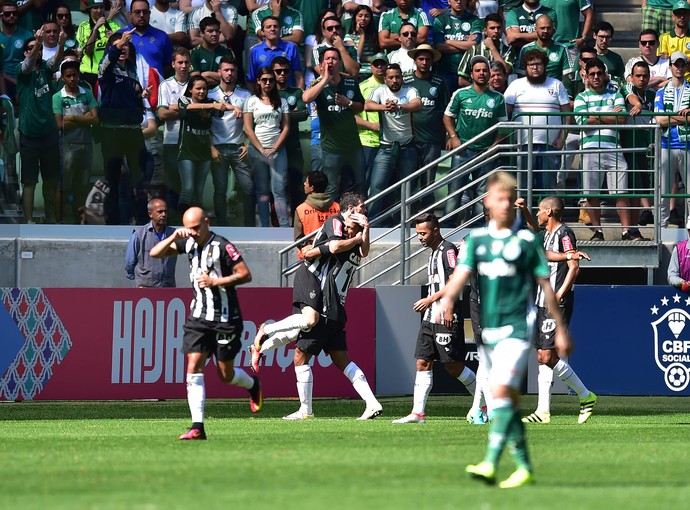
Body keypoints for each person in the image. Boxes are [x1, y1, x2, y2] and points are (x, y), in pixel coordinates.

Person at [440, 171, 573, 489]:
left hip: (517, 327)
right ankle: (524, 466)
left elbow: (546, 284)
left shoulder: (527, 240)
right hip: (491, 330)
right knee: (505, 403)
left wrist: (561, 331)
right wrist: (447, 300)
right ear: (487, 202)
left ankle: (489, 463)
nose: (504, 204)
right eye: (498, 198)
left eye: (509, 199)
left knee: (499, 394)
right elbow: (461, 274)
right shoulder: (476, 240)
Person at [251, 192, 383, 421]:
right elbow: (328, 248)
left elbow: (362, 251)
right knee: (308, 331)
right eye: (361, 208)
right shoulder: (336, 223)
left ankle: (312, 408)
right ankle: (265, 337)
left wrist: (364, 231)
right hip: (314, 283)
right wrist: (352, 238)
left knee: (307, 349)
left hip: (331, 303)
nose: (364, 211)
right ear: (350, 210)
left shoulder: (353, 241)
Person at [150, 206, 262, 440]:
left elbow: (245, 274)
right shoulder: (188, 242)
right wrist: (173, 236)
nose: (192, 233)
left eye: (196, 228)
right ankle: (197, 427)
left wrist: (216, 281)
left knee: (225, 375)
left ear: (207, 223)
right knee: (193, 366)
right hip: (199, 317)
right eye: (188, 229)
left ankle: (252, 384)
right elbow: (155, 253)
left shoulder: (222, 246)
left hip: (225, 318)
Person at [392, 213, 477, 424]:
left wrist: (443, 306)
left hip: (445, 315)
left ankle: (484, 402)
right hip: (430, 318)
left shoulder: (448, 250)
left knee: (453, 367)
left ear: (436, 230)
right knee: (422, 362)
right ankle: (418, 413)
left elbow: (454, 280)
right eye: (418, 233)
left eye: (423, 233)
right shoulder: (433, 252)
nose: (420, 237)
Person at [519, 196, 597, 425]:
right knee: (543, 356)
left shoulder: (565, 234)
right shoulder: (547, 234)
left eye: (540, 211)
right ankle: (543, 411)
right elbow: (535, 231)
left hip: (556, 301)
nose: (538, 215)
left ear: (550, 212)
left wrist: (560, 294)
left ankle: (585, 396)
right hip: (543, 300)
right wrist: (524, 210)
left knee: (546, 355)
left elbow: (574, 267)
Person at [574, 58, 645, 241]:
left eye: (599, 73)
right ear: (587, 77)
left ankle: (626, 231)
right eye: (592, 74)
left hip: (614, 148)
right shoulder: (581, 97)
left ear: (605, 75)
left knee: (621, 193)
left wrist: (595, 116)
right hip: (589, 149)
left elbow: (621, 119)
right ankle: (598, 232)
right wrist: (607, 116)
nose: (596, 77)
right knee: (592, 194)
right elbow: (582, 123)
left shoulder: (614, 94)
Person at [443, 55, 507, 227]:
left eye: (485, 70)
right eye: (477, 70)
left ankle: (477, 227)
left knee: (482, 194)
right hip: (463, 150)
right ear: (471, 74)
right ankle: (448, 225)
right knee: (454, 191)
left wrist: (494, 147)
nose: (481, 73)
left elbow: (503, 127)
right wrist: (453, 137)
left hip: (486, 153)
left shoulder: (498, 98)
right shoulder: (461, 94)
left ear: (489, 74)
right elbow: (447, 116)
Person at [98, 29, 149, 225]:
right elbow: (106, 66)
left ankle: (142, 220)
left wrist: (139, 96)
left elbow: (127, 98)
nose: (123, 48)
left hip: (132, 130)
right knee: (113, 179)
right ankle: (112, 222)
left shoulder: (132, 68)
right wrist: (119, 42)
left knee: (139, 178)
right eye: (119, 45)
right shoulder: (106, 68)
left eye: (126, 45)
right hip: (112, 130)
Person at [504, 49, 570, 193]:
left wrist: (562, 137)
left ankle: (548, 216)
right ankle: (521, 216)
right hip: (522, 145)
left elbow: (567, 114)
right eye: (531, 64)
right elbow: (504, 114)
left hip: (550, 146)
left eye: (539, 64)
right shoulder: (516, 85)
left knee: (547, 188)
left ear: (545, 66)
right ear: (526, 67)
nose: (535, 67)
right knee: (522, 188)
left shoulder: (556, 84)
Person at [303, 47, 365, 198]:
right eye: (327, 59)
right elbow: (306, 98)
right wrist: (324, 80)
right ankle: (333, 221)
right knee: (331, 188)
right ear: (322, 63)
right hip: (331, 148)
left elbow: (361, 106)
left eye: (334, 58)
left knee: (360, 185)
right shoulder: (317, 84)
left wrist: (348, 103)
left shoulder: (350, 82)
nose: (330, 61)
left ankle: (361, 220)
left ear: (340, 62)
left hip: (353, 146)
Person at [365, 62, 422, 223]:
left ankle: (404, 222)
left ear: (402, 77)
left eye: (397, 77)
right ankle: (373, 224)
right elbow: (367, 105)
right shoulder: (380, 90)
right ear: (385, 79)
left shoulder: (410, 90)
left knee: (407, 188)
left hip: (407, 147)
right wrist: (384, 107)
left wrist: (400, 107)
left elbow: (417, 104)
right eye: (391, 77)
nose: (394, 80)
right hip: (386, 147)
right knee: (377, 186)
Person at [17, 31, 64, 225]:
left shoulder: (46, 68)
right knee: (29, 181)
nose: (34, 50)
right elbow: (28, 65)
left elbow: (56, 61)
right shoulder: (22, 69)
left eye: (36, 48)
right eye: (30, 48)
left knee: (51, 179)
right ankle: (28, 220)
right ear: (26, 52)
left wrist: (60, 43)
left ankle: (51, 217)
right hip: (29, 133)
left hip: (49, 133)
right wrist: (37, 42)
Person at [208, 56, 256, 226]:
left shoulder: (245, 95)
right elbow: (204, 125)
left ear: (237, 72)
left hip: (239, 148)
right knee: (220, 190)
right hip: (218, 148)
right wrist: (211, 147)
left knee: (249, 188)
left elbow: (254, 123)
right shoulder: (210, 94)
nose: (229, 73)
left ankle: (250, 227)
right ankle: (222, 226)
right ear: (219, 72)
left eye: (233, 70)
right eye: (226, 70)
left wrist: (249, 145)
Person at [52, 59, 98, 224]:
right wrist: (83, 118)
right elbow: (59, 124)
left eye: (75, 75)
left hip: (86, 143)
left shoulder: (87, 92)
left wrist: (72, 118)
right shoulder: (58, 97)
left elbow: (96, 119)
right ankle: (59, 220)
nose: (72, 78)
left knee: (83, 185)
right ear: (63, 78)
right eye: (68, 76)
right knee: (64, 185)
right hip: (67, 145)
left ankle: (81, 221)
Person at [243, 66, 290, 227]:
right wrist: (262, 150)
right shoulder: (251, 101)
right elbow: (248, 129)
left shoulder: (282, 101)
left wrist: (275, 148)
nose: (268, 83)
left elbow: (286, 128)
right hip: (258, 150)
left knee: (279, 190)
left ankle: (283, 225)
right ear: (258, 81)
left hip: (277, 150)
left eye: (270, 80)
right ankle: (264, 226)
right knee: (262, 191)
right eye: (264, 80)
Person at [404, 45, 449, 212]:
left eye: (427, 59)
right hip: (409, 139)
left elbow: (446, 110)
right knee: (409, 180)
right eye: (421, 59)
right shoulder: (406, 81)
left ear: (432, 61)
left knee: (428, 181)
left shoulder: (439, 82)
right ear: (415, 60)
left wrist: (447, 136)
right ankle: (407, 217)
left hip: (432, 139)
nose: (424, 62)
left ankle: (427, 217)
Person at [176, 75, 225, 212]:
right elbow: (189, 107)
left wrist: (234, 108)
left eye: (204, 89)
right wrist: (211, 105)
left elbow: (222, 109)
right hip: (186, 151)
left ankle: (196, 226)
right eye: (198, 88)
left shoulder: (210, 101)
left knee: (198, 192)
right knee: (188, 189)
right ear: (191, 89)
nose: (202, 92)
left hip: (204, 153)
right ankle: (181, 222)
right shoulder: (184, 99)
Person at [654, 50, 690, 227]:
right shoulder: (661, 92)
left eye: (682, 64)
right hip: (666, 145)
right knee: (663, 191)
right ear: (670, 67)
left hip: (687, 145)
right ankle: (661, 229)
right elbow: (659, 120)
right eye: (676, 64)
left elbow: (665, 119)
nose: (679, 67)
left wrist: (670, 118)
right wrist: (683, 117)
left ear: (686, 66)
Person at [158, 47, 191, 222]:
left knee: (189, 186)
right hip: (171, 140)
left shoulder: (196, 84)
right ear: (173, 64)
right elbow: (162, 115)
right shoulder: (166, 85)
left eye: (186, 62)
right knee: (172, 184)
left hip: (192, 141)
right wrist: (186, 111)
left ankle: (188, 221)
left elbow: (201, 114)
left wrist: (174, 109)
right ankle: (171, 221)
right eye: (180, 62)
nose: (183, 66)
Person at [272, 56, 308, 215]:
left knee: (296, 186)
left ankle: (297, 222)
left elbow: (303, 114)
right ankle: (275, 223)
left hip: (293, 145)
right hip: (272, 146)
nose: (282, 74)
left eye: (285, 71)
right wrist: (290, 113)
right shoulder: (266, 93)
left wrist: (278, 115)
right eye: (278, 71)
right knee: (274, 187)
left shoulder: (296, 92)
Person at [623, 61, 657, 227]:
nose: (641, 79)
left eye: (645, 76)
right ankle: (631, 228)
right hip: (630, 146)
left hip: (647, 146)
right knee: (633, 190)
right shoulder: (627, 88)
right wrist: (637, 104)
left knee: (644, 186)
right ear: (632, 77)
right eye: (638, 76)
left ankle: (640, 221)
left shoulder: (652, 94)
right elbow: (630, 96)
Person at [125, 197, 177, 287]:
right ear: (150, 214)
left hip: (168, 288)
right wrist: (135, 277)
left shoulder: (174, 235)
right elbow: (130, 262)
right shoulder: (139, 235)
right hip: (145, 288)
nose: (164, 214)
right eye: (160, 212)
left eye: (165, 211)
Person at [432, 0, 481, 94]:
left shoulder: (474, 19)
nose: (459, 2)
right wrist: (466, 44)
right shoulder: (440, 19)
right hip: (446, 70)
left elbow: (474, 45)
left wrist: (449, 42)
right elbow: (439, 47)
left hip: (467, 71)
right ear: (449, 1)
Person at [458, 13, 515, 88]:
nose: (496, 31)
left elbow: (506, 71)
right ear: (485, 30)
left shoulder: (508, 50)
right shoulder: (473, 50)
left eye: (499, 28)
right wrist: (480, 90)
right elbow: (461, 80)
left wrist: (492, 48)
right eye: (492, 28)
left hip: (501, 94)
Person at [247, 16, 303, 92]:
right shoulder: (255, 50)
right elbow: (251, 79)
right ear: (262, 32)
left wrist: (300, 96)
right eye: (268, 27)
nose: (272, 29)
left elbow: (298, 76)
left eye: (275, 26)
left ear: (280, 30)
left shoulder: (291, 47)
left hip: (287, 95)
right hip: (265, 96)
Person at [119, 0, 174, 77]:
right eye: (137, 12)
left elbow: (169, 65)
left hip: (155, 86)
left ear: (149, 14)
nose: (141, 15)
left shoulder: (162, 36)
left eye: (145, 12)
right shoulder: (119, 36)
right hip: (128, 87)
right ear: (130, 15)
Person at [514, 14, 573, 86]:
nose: (545, 31)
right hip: (531, 88)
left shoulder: (562, 49)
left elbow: (567, 75)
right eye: (542, 28)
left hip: (554, 88)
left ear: (553, 30)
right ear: (535, 29)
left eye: (549, 28)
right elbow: (521, 75)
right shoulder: (526, 49)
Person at [293, 170, 340, 259]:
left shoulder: (301, 209)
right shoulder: (338, 208)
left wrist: (310, 249)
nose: (304, 184)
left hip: (309, 257)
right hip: (333, 255)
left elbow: (298, 239)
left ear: (312, 188)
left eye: (306, 182)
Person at [356, 53, 385, 193]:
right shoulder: (363, 87)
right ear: (371, 67)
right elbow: (352, 117)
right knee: (363, 183)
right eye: (376, 64)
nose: (379, 67)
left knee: (382, 186)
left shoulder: (394, 85)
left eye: (383, 64)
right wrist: (372, 126)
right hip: (368, 141)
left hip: (389, 143)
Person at [76, 0, 121, 88]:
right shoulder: (83, 26)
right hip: (90, 74)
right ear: (90, 9)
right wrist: (95, 29)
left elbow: (121, 48)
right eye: (95, 8)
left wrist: (112, 38)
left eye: (101, 7)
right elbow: (88, 50)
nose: (99, 11)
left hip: (110, 72)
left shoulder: (114, 25)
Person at [190, 16, 234, 89]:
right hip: (202, 92)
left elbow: (232, 78)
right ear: (201, 34)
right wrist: (222, 79)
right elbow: (196, 80)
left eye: (217, 31)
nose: (214, 34)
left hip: (223, 92)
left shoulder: (227, 52)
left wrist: (206, 74)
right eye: (210, 31)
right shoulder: (194, 53)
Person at [343, 4, 380, 78]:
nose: (363, 18)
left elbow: (379, 56)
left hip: (374, 72)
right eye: (360, 16)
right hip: (359, 72)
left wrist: (369, 59)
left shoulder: (375, 36)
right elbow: (357, 56)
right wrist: (362, 36)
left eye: (367, 16)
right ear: (355, 18)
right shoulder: (349, 37)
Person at [592, 21, 626, 87]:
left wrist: (609, 77)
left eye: (607, 37)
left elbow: (622, 82)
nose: (604, 40)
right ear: (594, 36)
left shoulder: (616, 58)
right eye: (601, 36)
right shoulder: (584, 56)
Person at [667, 217, 690, 289]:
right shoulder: (679, 249)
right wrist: (681, 282)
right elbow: (671, 275)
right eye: (689, 230)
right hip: (685, 295)